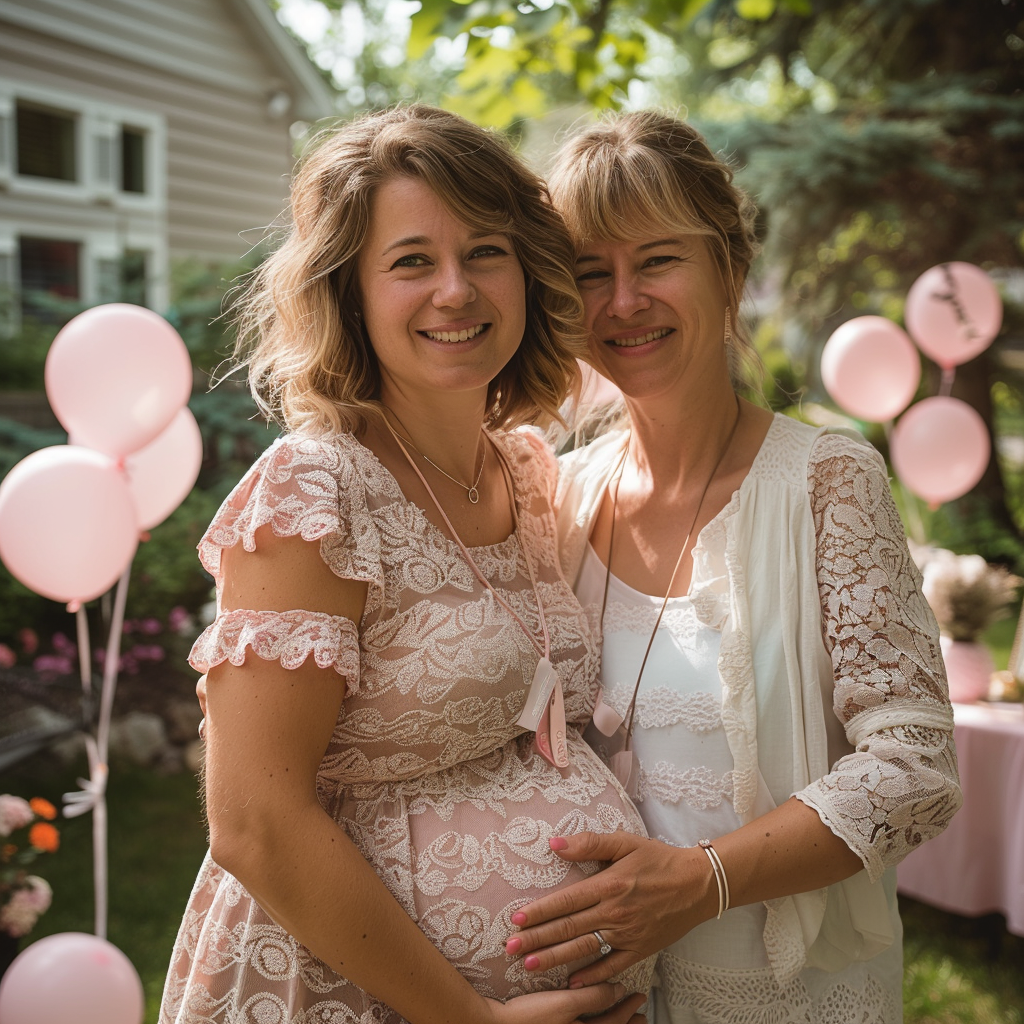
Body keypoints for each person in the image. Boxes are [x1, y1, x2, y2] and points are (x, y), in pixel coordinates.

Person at [158, 104, 654, 1024]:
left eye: (486, 251)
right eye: (412, 261)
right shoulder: (315, 494)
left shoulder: (524, 469)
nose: (456, 290)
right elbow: (255, 822)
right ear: (348, 292)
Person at [502, 111, 962, 1023]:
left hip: (784, 994)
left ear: (730, 271)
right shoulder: (555, 495)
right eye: (592, 272)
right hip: (600, 1001)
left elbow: (916, 767)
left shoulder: (826, 481)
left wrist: (698, 884)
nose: (623, 301)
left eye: (658, 260)